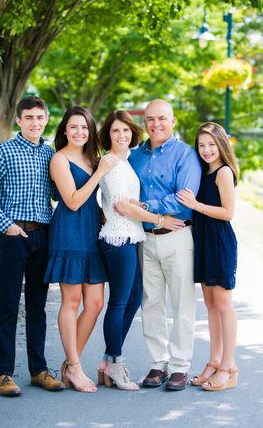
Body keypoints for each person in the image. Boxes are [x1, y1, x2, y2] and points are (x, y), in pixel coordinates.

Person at [0, 96, 64, 397]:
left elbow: (56, 192)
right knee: (9, 306)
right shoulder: (4, 150)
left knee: (38, 307)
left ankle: (38, 370)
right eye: (29, 118)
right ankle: (3, 373)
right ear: (19, 120)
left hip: (44, 237)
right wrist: (7, 226)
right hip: (15, 237)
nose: (35, 123)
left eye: (40, 117)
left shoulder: (51, 154)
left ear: (47, 118)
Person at [126, 99, 202, 391]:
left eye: (161, 119)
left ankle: (180, 366)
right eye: (150, 119)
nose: (155, 124)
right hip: (145, 239)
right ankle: (158, 363)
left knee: (181, 303)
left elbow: (183, 199)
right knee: (152, 303)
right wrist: (150, 215)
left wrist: (143, 206)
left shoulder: (186, 154)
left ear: (173, 121)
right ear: (144, 123)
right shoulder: (135, 158)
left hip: (179, 237)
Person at [97, 110, 174, 390]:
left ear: (133, 133)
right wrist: (159, 219)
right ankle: (115, 363)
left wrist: (139, 207)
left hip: (130, 236)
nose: (122, 135)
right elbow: (122, 206)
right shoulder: (111, 162)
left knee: (132, 300)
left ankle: (108, 361)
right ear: (108, 134)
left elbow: (131, 204)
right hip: (118, 238)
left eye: (126, 131)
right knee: (119, 302)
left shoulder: (125, 160)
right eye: (116, 131)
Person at [44, 105, 118, 393]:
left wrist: (102, 211)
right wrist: (99, 173)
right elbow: (73, 201)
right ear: (64, 130)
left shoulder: (91, 158)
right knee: (72, 301)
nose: (79, 132)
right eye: (74, 127)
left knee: (96, 303)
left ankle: (68, 364)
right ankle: (75, 367)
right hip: (69, 231)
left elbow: (90, 199)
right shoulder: (59, 159)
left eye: (85, 127)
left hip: (91, 231)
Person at [177, 122, 238, 391]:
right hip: (201, 241)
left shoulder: (223, 172)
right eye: (202, 145)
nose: (206, 150)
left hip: (219, 241)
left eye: (211, 144)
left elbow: (228, 213)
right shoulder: (201, 172)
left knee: (223, 305)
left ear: (221, 145)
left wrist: (196, 205)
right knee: (211, 305)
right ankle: (213, 362)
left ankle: (229, 367)